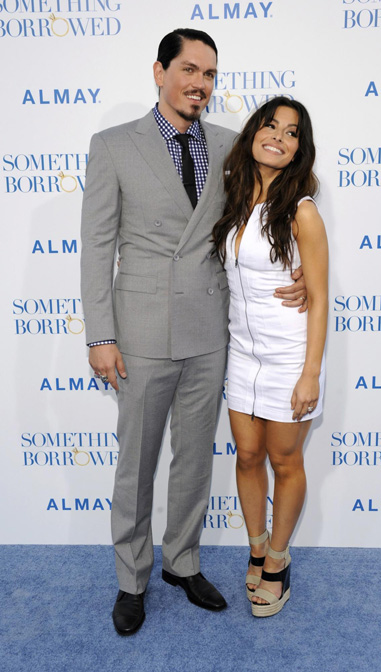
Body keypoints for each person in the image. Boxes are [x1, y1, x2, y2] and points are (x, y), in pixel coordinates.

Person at [80, 30, 308, 636]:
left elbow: (278, 210)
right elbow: (97, 246)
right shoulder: (113, 146)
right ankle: (132, 579)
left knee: (194, 460)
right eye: (188, 69)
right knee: (136, 464)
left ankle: (182, 561)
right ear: (160, 72)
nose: (199, 83)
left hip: (212, 330)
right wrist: (100, 335)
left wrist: (304, 274)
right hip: (141, 332)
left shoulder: (233, 145)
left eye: (209, 74)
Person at [212, 97, 328, 617]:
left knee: (285, 460)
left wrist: (310, 374)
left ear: (300, 149)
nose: (279, 136)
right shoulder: (233, 198)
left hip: (288, 357)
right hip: (242, 354)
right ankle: (256, 547)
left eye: (292, 132)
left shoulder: (302, 210)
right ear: (253, 132)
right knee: (247, 455)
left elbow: (319, 298)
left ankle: (278, 559)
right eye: (271, 125)